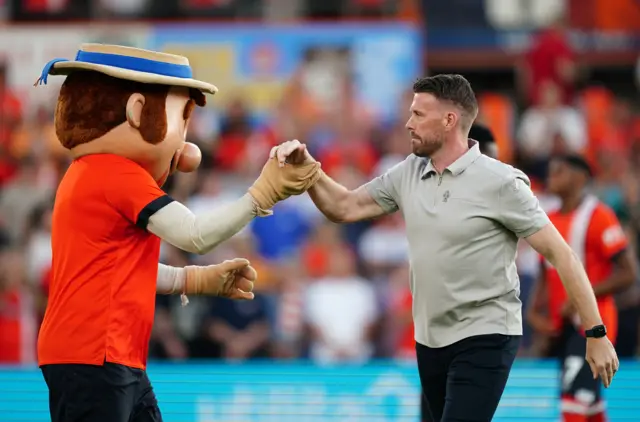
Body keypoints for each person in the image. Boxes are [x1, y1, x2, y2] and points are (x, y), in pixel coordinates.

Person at [270, 74, 620, 422]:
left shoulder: (500, 182)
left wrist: (596, 333)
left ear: (449, 120)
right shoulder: (408, 172)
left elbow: (563, 255)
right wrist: (309, 171)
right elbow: (344, 207)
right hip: (431, 340)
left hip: (486, 334)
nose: (408, 123)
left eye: (419, 115)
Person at [35, 44, 323, 422]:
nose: (186, 143)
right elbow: (194, 235)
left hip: (105, 353)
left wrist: (194, 279)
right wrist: (262, 194)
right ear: (137, 110)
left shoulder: (90, 171)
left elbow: (116, 271)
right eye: (181, 119)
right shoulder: (115, 171)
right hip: (94, 353)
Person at [527, 154, 635, 422]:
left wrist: (578, 299)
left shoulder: (599, 216)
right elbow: (544, 271)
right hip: (562, 326)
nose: (552, 175)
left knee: (573, 404)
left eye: (560, 170)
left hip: (593, 325)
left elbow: (628, 273)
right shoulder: (547, 219)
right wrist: (533, 311)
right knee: (590, 403)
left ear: (580, 177)